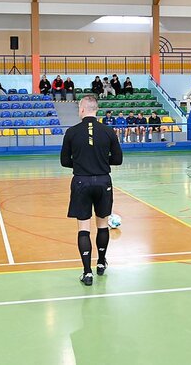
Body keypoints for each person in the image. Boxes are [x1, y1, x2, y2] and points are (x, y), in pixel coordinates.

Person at [60, 95, 123, 286]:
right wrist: (101, 161)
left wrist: (81, 163)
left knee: (84, 228)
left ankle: (87, 273)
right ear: (96, 110)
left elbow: (64, 161)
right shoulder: (108, 131)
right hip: (103, 182)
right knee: (102, 225)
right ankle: (101, 263)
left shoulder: (72, 132)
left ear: (82, 109)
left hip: (81, 182)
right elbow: (118, 159)